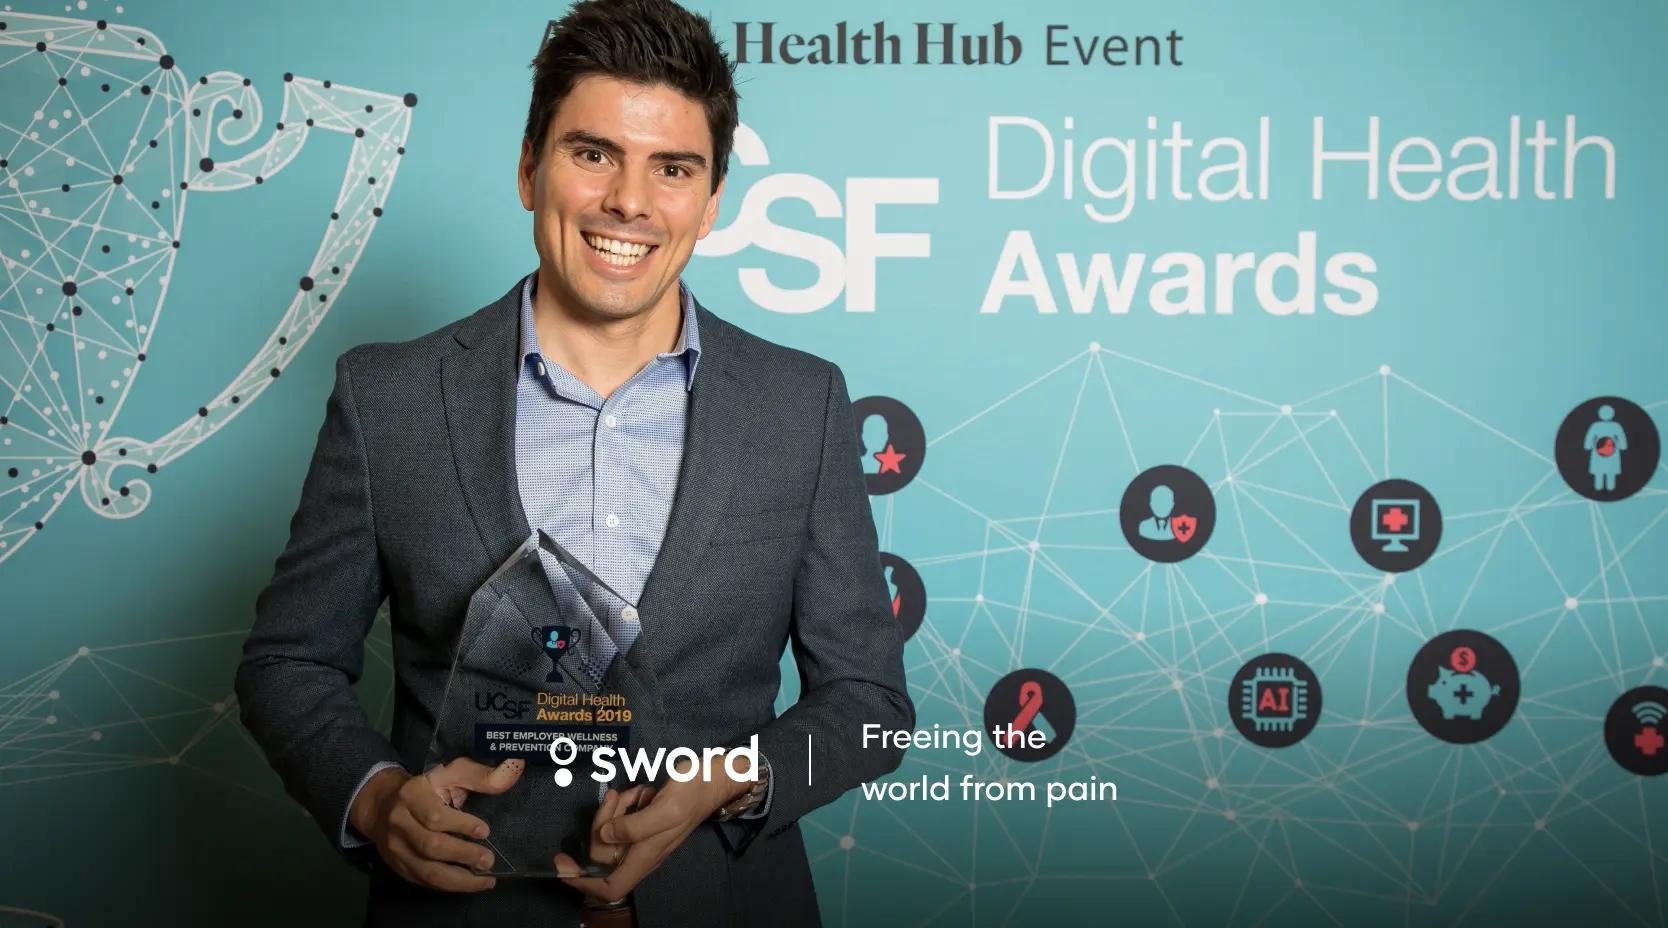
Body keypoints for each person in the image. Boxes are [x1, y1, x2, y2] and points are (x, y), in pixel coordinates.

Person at [233, 2, 913, 925]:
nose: (629, 201)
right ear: (529, 168)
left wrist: (729, 783)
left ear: (711, 202)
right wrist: (376, 798)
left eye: (672, 169)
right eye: (593, 153)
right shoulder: (387, 398)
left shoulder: (803, 406)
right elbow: (287, 662)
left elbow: (870, 703)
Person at [1584, 403, 1628, 492]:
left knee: (1599, 472)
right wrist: (1623, 446)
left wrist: (1587, 446)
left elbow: (1589, 437)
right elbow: (1621, 438)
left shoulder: (1595, 426)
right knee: (1610, 472)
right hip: (1612, 452)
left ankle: (1598, 487)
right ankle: (1610, 487)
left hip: (1600, 452)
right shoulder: (1616, 426)